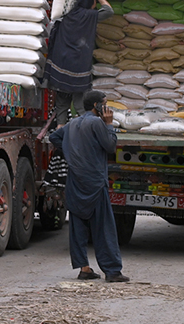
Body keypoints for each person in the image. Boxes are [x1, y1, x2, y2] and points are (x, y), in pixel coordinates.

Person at [48, 90, 129, 282]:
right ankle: (112, 270)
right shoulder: (97, 123)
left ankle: (84, 268)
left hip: (75, 180)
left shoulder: (72, 123)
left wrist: (71, 150)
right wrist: (109, 125)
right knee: (103, 226)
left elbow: (54, 138)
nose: (107, 108)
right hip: (94, 180)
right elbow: (110, 146)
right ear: (97, 106)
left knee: (77, 226)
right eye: (105, 104)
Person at [38, 0, 113, 135]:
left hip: (60, 64)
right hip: (78, 66)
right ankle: (83, 131)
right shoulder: (88, 15)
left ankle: (60, 128)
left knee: (62, 100)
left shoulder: (66, 14)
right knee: (80, 102)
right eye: (94, 3)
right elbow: (109, 11)